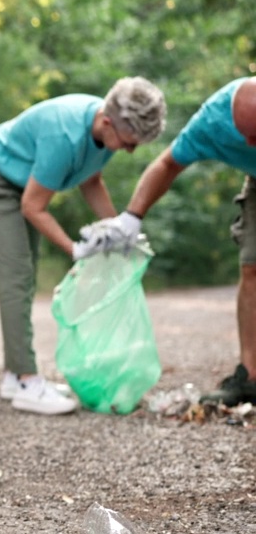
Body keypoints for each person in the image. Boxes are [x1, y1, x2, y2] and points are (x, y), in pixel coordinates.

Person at [0, 77, 166, 415]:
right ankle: (27, 381)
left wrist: (117, 229)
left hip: (21, 185)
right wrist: (75, 250)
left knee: (26, 275)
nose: (130, 150)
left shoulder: (102, 134)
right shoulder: (65, 135)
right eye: (129, 143)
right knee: (16, 276)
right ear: (107, 121)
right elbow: (33, 206)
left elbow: (92, 180)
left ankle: (14, 375)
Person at [88, 77, 256, 406]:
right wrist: (131, 217)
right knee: (252, 267)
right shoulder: (212, 122)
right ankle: (250, 377)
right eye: (248, 136)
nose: (253, 143)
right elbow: (167, 165)